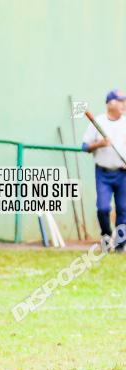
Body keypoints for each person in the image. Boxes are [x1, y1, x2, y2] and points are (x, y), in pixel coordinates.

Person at [82, 89, 126, 250]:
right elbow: (84, 147)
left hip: (122, 173)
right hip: (103, 173)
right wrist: (99, 144)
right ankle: (106, 237)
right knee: (103, 208)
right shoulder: (98, 122)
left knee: (123, 210)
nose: (124, 104)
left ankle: (121, 245)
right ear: (110, 104)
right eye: (120, 101)